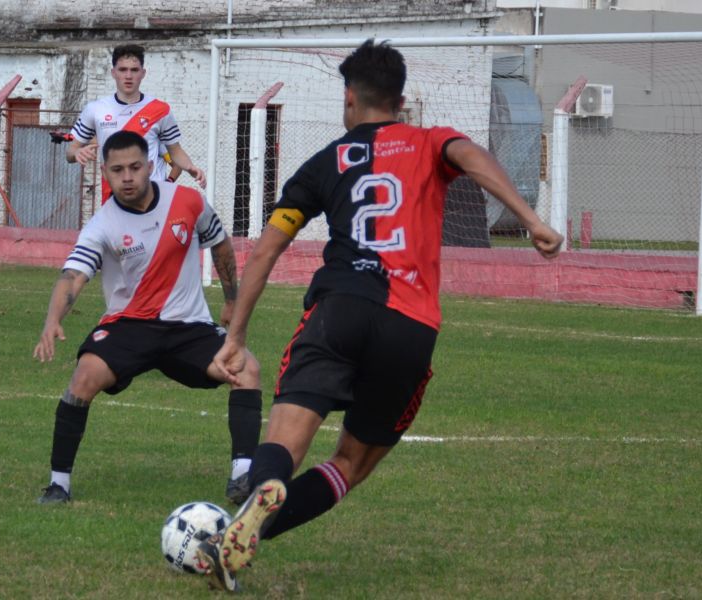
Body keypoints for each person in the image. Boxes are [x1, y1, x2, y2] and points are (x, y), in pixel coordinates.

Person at [195, 40, 564, 592]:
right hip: (408, 325)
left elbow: (266, 252)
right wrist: (530, 217)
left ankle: (261, 496)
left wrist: (237, 331)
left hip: (337, 310)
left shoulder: (324, 163)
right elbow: (471, 156)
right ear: (401, 99)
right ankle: (253, 535)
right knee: (350, 462)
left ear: (350, 98)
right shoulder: (429, 141)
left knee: (287, 437)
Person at [33, 130, 261, 506]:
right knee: (84, 378)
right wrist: (53, 318)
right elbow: (73, 276)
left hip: (189, 327)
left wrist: (231, 299)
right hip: (129, 326)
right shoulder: (101, 225)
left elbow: (219, 241)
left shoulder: (188, 201)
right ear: (104, 172)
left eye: (135, 167)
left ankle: (242, 476)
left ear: (151, 166)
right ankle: (59, 484)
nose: (127, 177)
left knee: (246, 368)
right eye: (118, 169)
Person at [66, 44, 204, 204]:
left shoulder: (160, 110)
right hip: (114, 198)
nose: (128, 76)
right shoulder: (95, 110)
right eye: (123, 70)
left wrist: (191, 167)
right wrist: (76, 153)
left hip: (153, 199)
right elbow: (70, 152)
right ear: (113, 73)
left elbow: (175, 152)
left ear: (143, 73)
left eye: (134, 70)